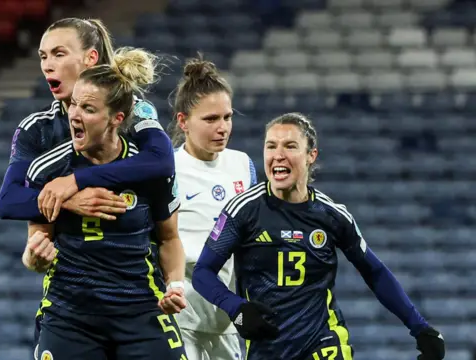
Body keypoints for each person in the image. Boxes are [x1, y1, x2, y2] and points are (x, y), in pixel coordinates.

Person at [191, 113, 446, 360]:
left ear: (311, 155)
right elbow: (203, 272)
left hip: (324, 343)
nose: (278, 155)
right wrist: (237, 309)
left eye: (290, 146)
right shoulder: (243, 210)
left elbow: (375, 272)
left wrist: (419, 327)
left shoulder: (332, 215)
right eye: (271, 146)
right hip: (267, 348)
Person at [22, 47, 189, 360]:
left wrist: (176, 285)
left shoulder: (149, 171)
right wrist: (35, 256)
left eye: (88, 108)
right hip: (71, 313)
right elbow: (34, 249)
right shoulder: (47, 171)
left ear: (117, 118)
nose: (74, 115)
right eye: (73, 104)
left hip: (140, 307)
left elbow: (169, 238)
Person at [0, 17, 174, 224]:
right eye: (43, 57)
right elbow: (8, 200)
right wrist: (69, 202)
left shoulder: (130, 109)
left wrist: (76, 181)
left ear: (91, 58)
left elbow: (161, 160)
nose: (47, 66)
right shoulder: (37, 128)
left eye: (59, 54)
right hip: (66, 253)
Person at [167, 58, 256, 360]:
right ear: (183, 121)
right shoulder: (168, 168)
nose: (222, 128)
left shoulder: (243, 165)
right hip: (181, 317)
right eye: (210, 119)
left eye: (227, 117)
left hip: (226, 320)